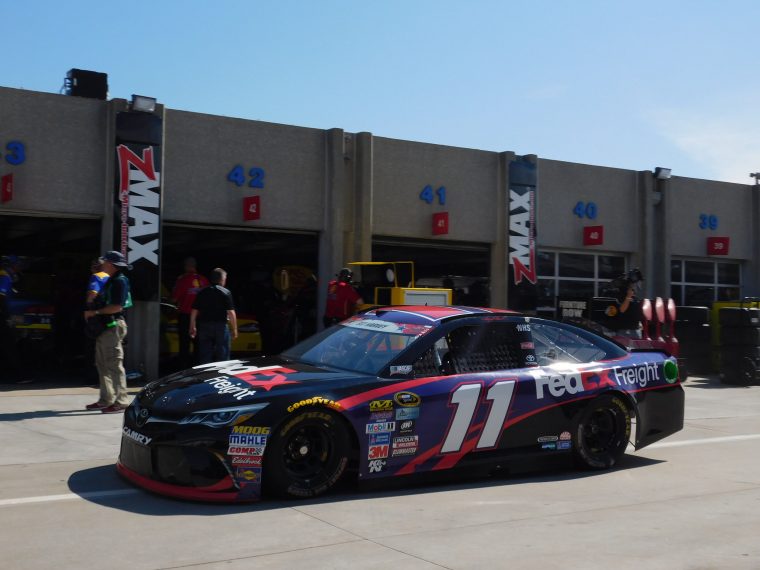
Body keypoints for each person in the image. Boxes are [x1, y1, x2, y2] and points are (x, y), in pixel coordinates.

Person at [83, 251, 133, 413]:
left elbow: (117, 307)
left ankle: (121, 401)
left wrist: (95, 313)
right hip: (105, 327)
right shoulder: (110, 280)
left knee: (114, 364)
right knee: (102, 364)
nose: (101, 264)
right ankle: (106, 399)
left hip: (113, 326)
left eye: (104, 262)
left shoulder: (119, 281)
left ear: (111, 264)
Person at [190, 268, 238, 364]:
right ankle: (222, 376)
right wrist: (235, 329)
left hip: (204, 326)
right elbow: (231, 313)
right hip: (220, 326)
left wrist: (192, 326)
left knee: (205, 355)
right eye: (225, 278)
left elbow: (194, 310)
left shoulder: (202, 292)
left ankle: (206, 376)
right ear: (222, 279)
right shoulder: (226, 292)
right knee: (223, 355)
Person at [171, 257, 209, 368]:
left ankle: (184, 368)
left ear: (186, 266)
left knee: (184, 344)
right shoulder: (204, 280)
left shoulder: (182, 280)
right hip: (200, 317)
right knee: (199, 344)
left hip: (185, 316)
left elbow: (174, 299)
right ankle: (197, 367)